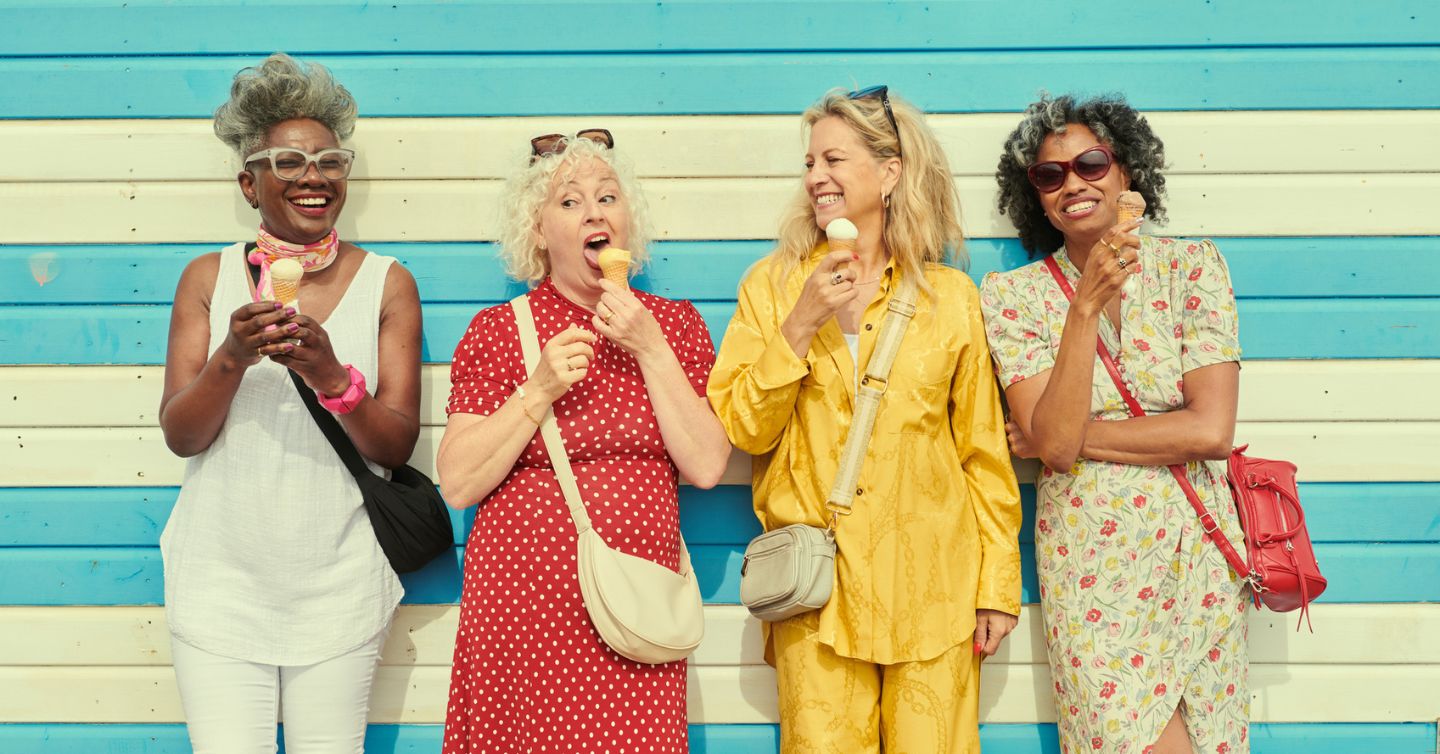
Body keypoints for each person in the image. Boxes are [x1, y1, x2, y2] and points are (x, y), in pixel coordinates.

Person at [707, 86, 1023, 753]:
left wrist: (997, 586)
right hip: (819, 595)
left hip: (934, 590)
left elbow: (983, 455)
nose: (816, 176)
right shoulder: (771, 286)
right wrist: (800, 323)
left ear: (889, 172)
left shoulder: (950, 298)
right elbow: (743, 427)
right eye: (810, 163)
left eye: (834, 159)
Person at [157, 53, 423, 753]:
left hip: (340, 584)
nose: (314, 177)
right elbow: (181, 434)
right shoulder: (208, 279)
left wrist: (333, 376)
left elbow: (394, 446)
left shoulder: (389, 283)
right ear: (249, 183)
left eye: (331, 161)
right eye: (287, 163)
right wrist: (232, 358)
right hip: (218, 583)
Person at [435, 130, 731, 753]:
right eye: (569, 202)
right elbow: (458, 481)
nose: (594, 213)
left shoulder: (673, 325)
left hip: (634, 614)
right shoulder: (498, 331)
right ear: (538, 231)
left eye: (608, 197)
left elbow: (706, 464)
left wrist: (649, 346)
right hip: (523, 617)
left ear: (627, 218)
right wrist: (536, 389)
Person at [980, 94, 1248, 754]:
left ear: (1126, 173)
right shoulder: (1012, 298)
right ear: (1035, 197)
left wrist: (1061, 437)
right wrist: (1084, 308)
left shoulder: (1193, 268)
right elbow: (1061, 451)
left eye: (1091, 164)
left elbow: (1210, 429)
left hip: (1197, 559)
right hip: (1093, 572)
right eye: (1050, 175)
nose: (1073, 183)